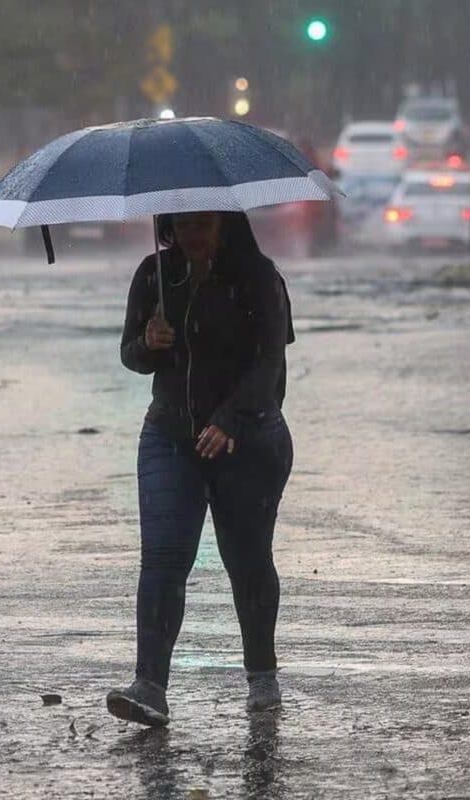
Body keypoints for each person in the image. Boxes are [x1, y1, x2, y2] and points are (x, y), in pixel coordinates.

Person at [105, 211, 296, 727]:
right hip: (171, 436)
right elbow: (130, 355)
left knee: (247, 559)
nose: (191, 235)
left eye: (202, 224)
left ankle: (262, 675)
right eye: (181, 224)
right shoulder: (154, 275)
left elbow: (270, 363)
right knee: (164, 558)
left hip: (250, 441)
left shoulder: (259, 278)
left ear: (225, 225)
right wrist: (149, 341)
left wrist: (232, 419)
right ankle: (149, 687)